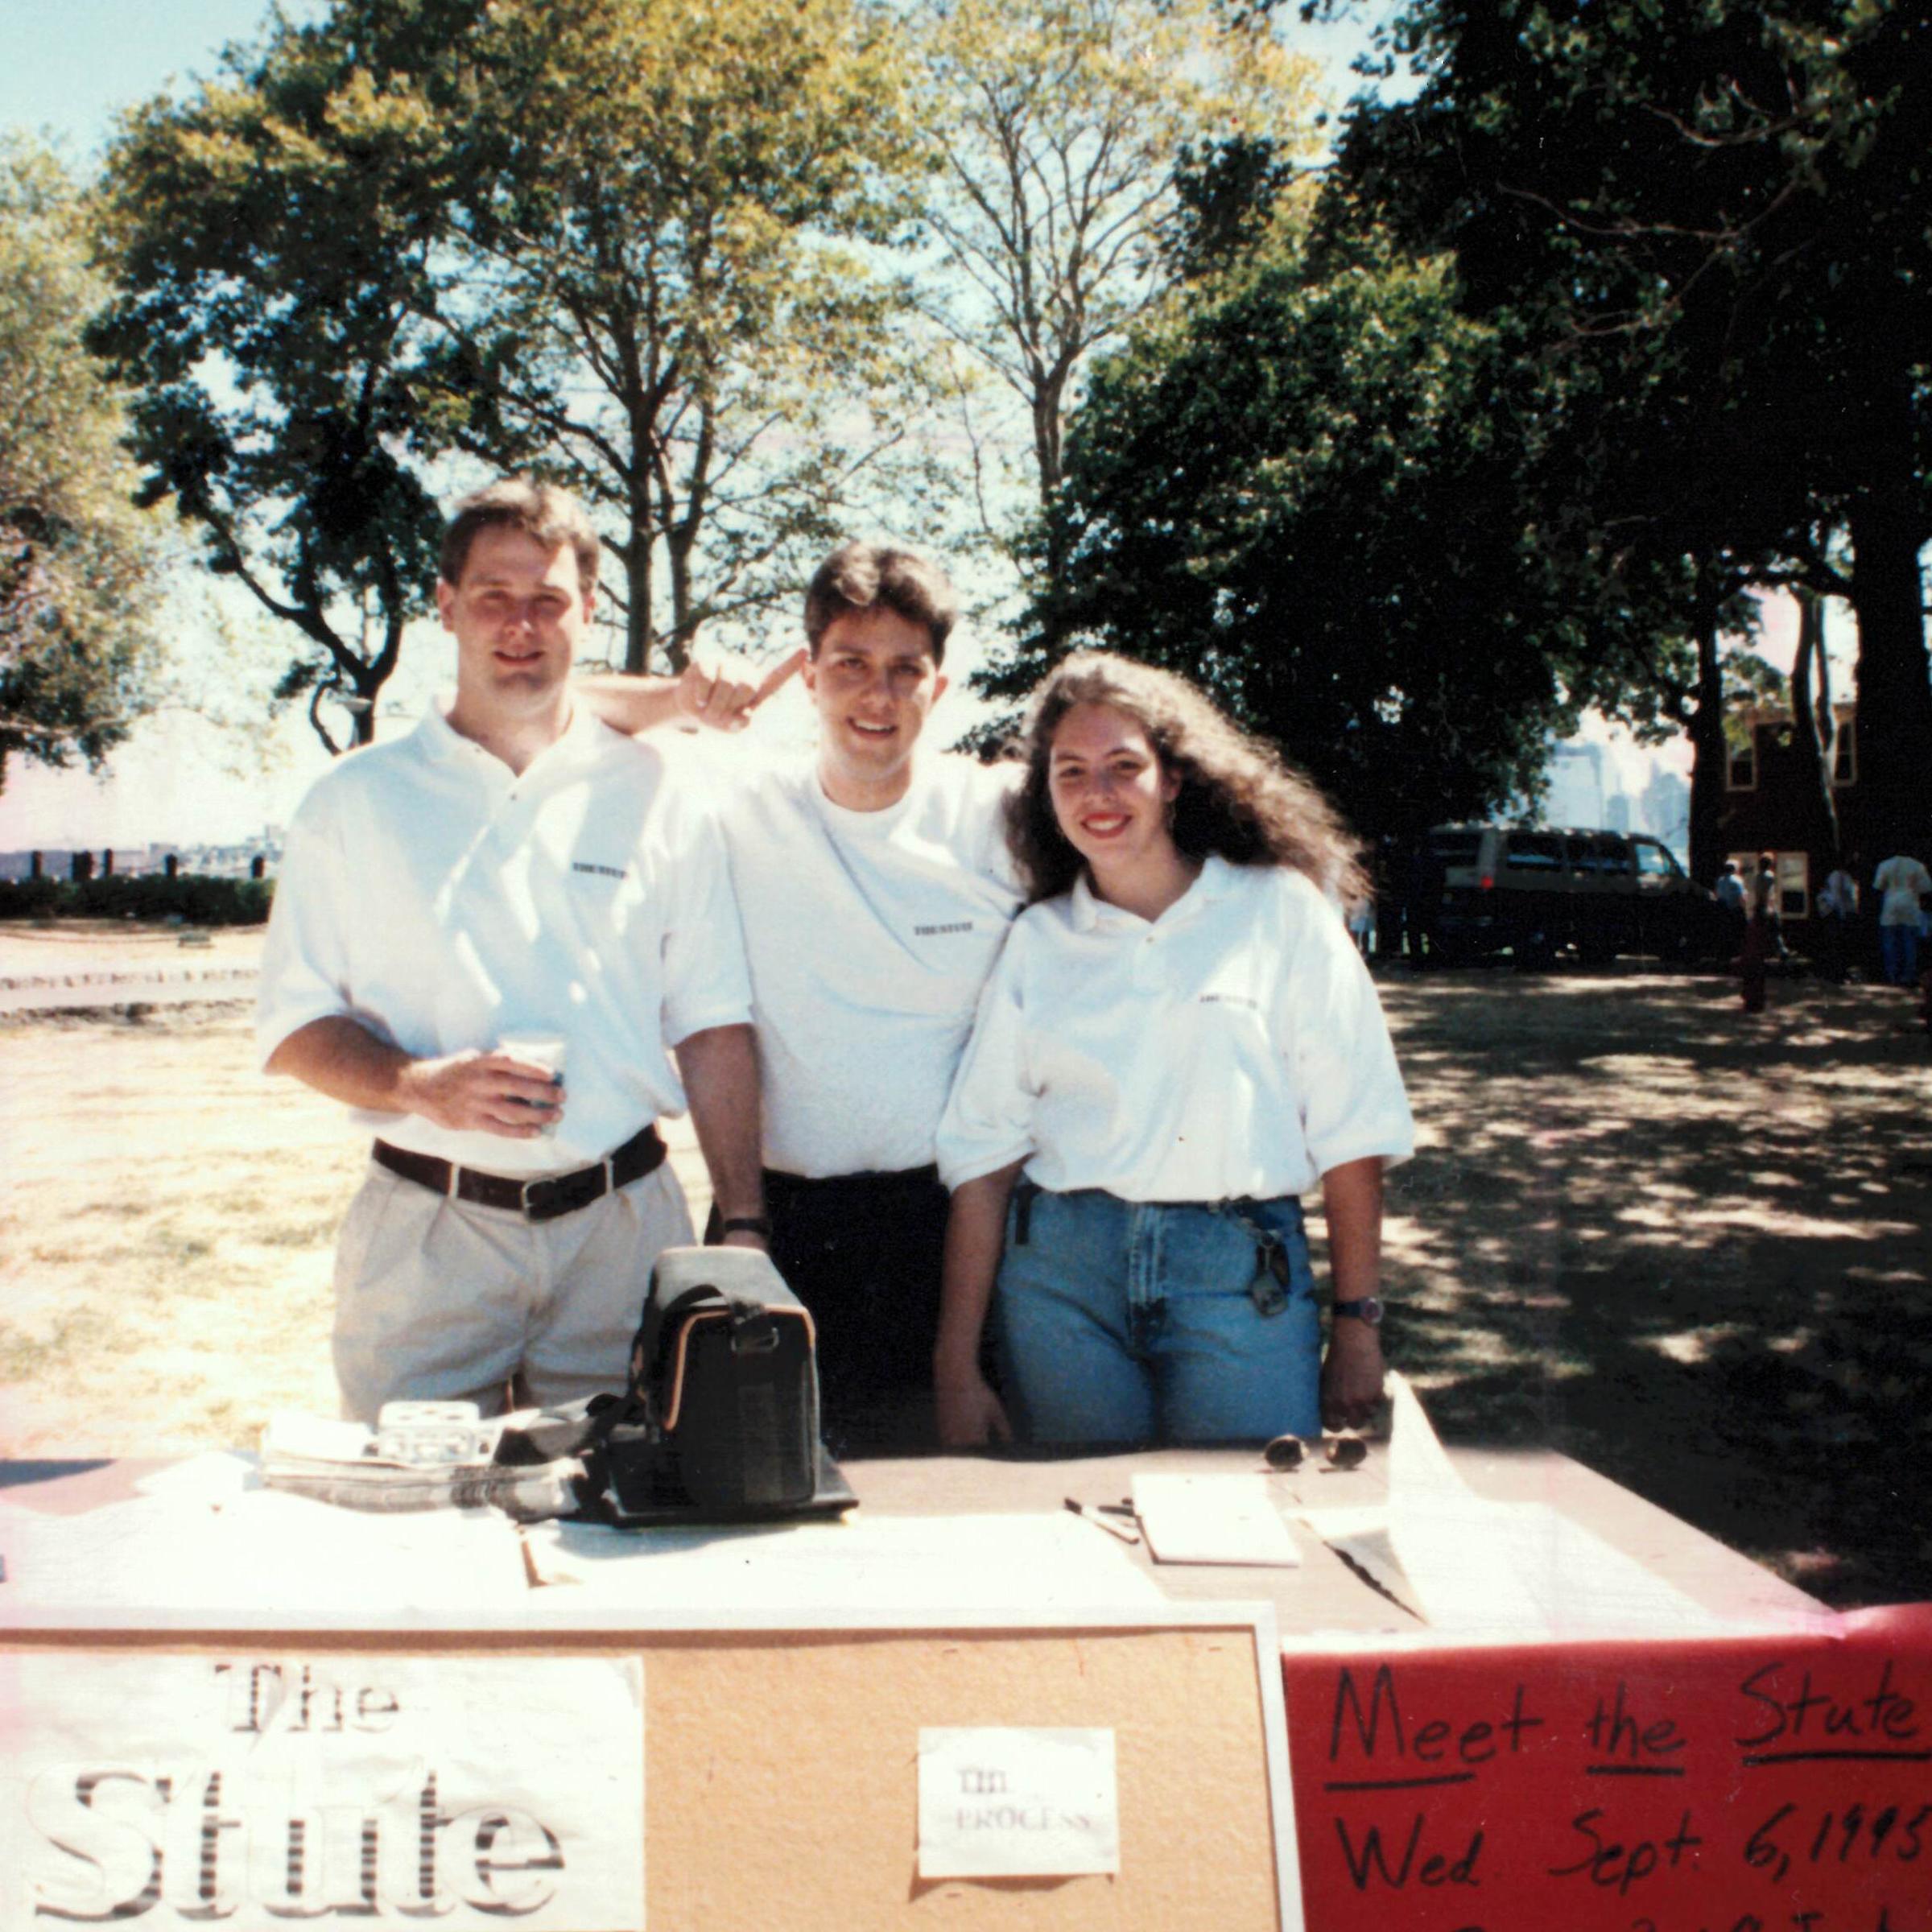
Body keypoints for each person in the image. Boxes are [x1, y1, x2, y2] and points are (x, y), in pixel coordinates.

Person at [256, 477, 769, 1423]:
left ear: (589, 611)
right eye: (494, 597)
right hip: (426, 1242)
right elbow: (294, 1027)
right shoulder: (356, 801)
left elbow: (710, 1021)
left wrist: (741, 1223)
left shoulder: (661, 789)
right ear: (446, 608)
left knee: (620, 1531)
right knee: (411, 1536)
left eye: (549, 602)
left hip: (623, 1236)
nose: (521, 626)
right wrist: (418, 1084)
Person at [585, 543, 1022, 1451]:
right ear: (810, 677)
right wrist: (681, 697)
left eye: (907, 671)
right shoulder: (737, 803)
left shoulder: (997, 816)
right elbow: (556, 710)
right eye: (851, 666)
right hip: (778, 1222)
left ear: (939, 691)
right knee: (752, 1506)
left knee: (947, 1514)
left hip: (952, 1230)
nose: (878, 696)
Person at [932, 652, 1414, 1449]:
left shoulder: (1278, 911)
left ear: (1174, 778)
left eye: (1125, 766)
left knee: (1254, 1534)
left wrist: (1358, 1327)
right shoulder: (1037, 943)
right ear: (1044, 792)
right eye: (1072, 771)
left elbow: (1352, 1132)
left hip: (1237, 1280)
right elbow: (981, 1161)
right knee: (1084, 1540)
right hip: (1061, 1289)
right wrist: (957, 1368)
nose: (1099, 794)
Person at [1872, 848, 1932, 988]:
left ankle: (1892, 975)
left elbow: (1878, 885)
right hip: (1910, 904)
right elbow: (1926, 887)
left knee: (1890, 942)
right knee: (1909, 942)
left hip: (1891, 904)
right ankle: (1908, 975)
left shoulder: (1885, 865)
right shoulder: (1917, 866)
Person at [1739, 852, 1776, 1014]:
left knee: (1753, 959)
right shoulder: (1769, 877)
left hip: (1755, 915)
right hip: (1764, 915)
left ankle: (1751, 997)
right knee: (1760, 959)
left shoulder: (1754, 878)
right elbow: (1767, 897)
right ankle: (1757, 998)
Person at [1815, 860, 1858, 984]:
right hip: (1836, 914)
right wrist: (1843, 914)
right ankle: (1836, 973)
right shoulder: (1837, 876)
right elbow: (1837, 896)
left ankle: (1839, 972)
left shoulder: (1844, 876)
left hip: (1839, 913)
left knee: (1839, 944)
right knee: (1836, 944)